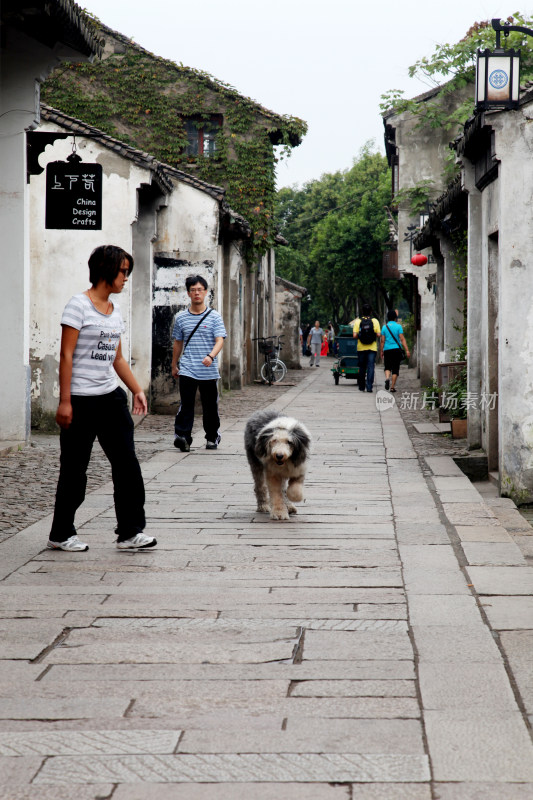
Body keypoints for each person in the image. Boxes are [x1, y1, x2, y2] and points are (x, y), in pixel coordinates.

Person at [48, 245, 155, 552]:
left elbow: (117, 358)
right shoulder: (78, 306)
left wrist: (136, 389)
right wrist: (65, 401)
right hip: (80, 401)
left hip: (111, 398)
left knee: (127, 465)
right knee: (74, 470)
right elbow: (66, 355)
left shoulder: (114, 310)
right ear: (107, 270)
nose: (125, 278)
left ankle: (130, 531)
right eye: (123, 272)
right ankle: (61, 533)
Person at [171, 275, 226, 451]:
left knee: (210, 406)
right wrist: (174, 364)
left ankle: (212, 436)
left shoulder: (214, 317)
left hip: (208, 370)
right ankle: (183, 437)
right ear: (188, 293)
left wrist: (211, 356)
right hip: (187, 368)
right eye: (193, 290)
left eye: (199, 290)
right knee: (186, 405)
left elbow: (220, 340)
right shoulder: (181, 318)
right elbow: (178, 342)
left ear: (205, 292)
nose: (196, 293)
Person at [352, 303, 381, 392]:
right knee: (371, 366)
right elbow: (379, 334)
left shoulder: (358, 321)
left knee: (362, 367)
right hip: (372, 348)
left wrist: (361, 337)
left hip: (361, 348)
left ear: (362, 311)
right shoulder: (375, 321)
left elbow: (354, 335)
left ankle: (361, 386)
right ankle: (369, 387)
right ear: (371, 311)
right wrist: (372, 336)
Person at [380, 309, 411, 393]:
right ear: (395, 318)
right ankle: (392, 387)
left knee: (387, 367)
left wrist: (381, 351)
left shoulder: (384, 327)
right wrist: (407, 350)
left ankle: (387, 378)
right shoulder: (398, 326)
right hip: (396, 350)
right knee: (395, 369)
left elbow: (382, 341)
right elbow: (402, 339)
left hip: (387, 349)